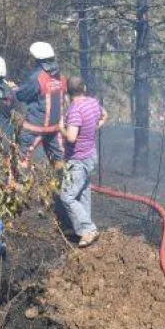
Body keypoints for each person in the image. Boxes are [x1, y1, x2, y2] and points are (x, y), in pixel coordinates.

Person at [58, 76, 107, 248]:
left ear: (67, 92)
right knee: (83, 192)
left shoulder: (75, 110)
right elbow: (104, 116)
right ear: (84, 88)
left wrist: (60, 128)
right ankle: (83, 228)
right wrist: (93, 128)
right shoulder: (93, 103)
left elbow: (71, 137)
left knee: (67, 196)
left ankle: (88, 229)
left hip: (78, 160)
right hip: (91, 156)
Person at [11, 42, 66, 172]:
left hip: (34, 128)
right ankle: (63, 187)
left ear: (37, 59)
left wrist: (14, 89)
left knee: (22, 158)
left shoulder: (37, 77)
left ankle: (21, 185)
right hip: (54, 128)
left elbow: (22, 96)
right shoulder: (60, 77)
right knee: (59, 160)